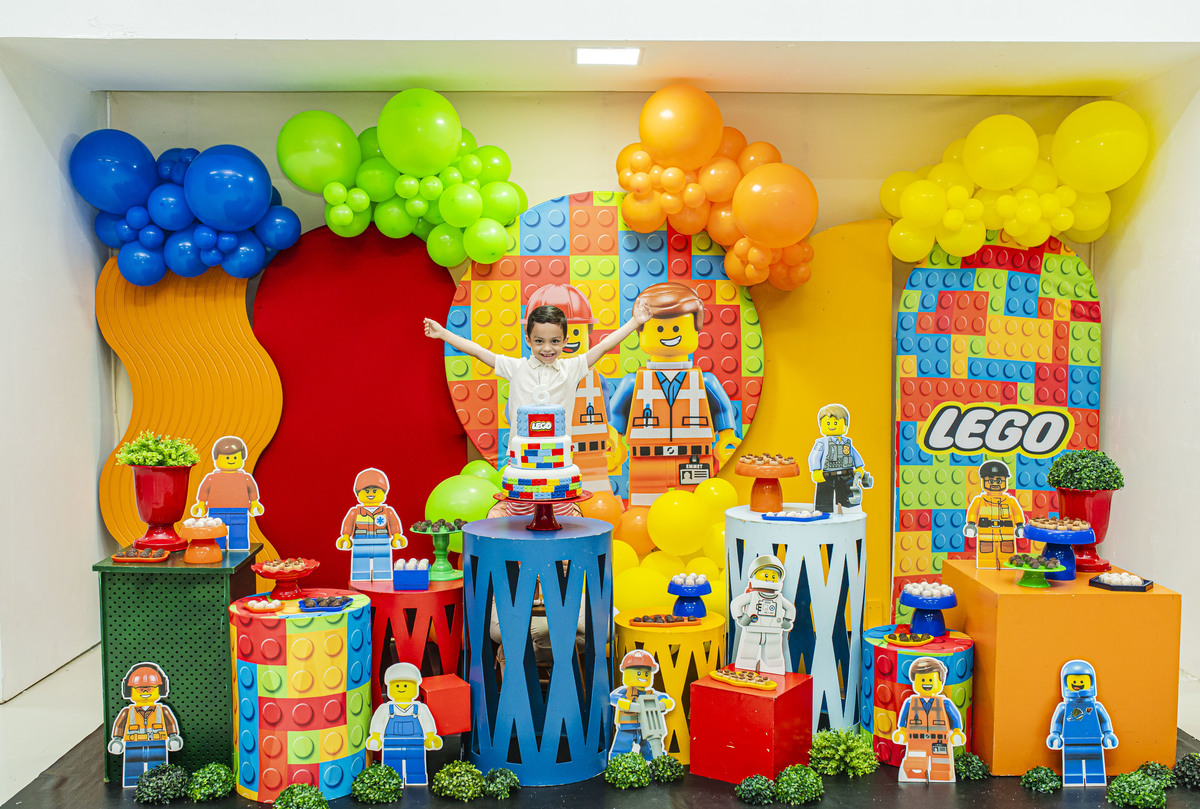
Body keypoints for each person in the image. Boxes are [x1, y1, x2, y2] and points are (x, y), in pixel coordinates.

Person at [425, 297, 650, 514]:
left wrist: (635, 321)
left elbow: (605, 346)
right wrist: (443, 334)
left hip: (559, 462)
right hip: (521, 462)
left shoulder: (572, 368)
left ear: (565, 340)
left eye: (555, 341)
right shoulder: (516, 368)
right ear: (528, 339)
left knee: (560, 514)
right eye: (539, 341)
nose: (547, 348)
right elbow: (477, 351)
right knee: (519, 514)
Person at [607, 282, 741, 506]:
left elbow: (722, 410)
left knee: (693, 506)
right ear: (641, 332)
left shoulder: (705, 381)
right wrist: (613, 441)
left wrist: (727, 439)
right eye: (659, 329)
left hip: (694, 459)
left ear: (696, 330)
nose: (668, 335)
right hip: (646, 460)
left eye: (677, 328)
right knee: (644, 506)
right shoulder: (633, 382)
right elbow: (617, 415)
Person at [107, 663, 183, 788]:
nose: (146, 692)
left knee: (158, 768)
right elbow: (119, 726)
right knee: (133, 768)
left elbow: (170, 723)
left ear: (161, 689)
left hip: (158, 743)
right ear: (129, 691)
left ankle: (158, 784)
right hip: (133, 744)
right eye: (140, 689)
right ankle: (134, 783)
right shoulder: (127, 712)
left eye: (150, 688)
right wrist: (116, 739)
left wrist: (173, 737)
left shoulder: (163, 710)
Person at [367, 663, 442, 786]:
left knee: (416, 763)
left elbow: (427, 721)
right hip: (391, 743)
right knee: (392, 764)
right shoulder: (386, 709)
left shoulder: (420, 708)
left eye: (406, 685)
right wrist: (375, 736)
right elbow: (378, 722)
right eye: (397, 685)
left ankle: (416, 778)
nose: (401, 688)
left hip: (416, 743)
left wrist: (430, 736)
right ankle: (393, 780)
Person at [1047, 659, 1118, 787]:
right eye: (1073, 682)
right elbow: (1057, 722)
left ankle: (1095, 779)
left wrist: (1108, 733)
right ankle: (1073, 780)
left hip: (1094, 741)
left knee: (1095, 766)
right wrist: (1055, 735)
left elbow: (1104, 720)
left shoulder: (1096, 706)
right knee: (1071, 769)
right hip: (1070, 742)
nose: (1078, 685)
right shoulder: (1064, 707)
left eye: (1082, 681)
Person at [892, 657, 965, 783]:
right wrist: (902, 731)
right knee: (914, 762)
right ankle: (915, 775)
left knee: (941, 763)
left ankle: (940, 776)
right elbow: (904, 718)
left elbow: (955, 717)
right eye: (922, 680)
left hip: (940, 739)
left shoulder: (945, 703)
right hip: (915, 739)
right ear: (914, 681)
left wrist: (957, 732)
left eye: (931, 680)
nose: (926, 683)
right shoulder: (910, 703)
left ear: (940, 682)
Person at [192, 435, 263, 551]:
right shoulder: (211, 478)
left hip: (240, 512)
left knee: (239, 535)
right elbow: (204, 491)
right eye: (227, 458)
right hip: (216, 512)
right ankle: (217, 549)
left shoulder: (245, 478)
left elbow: (252, 491)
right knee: (217, 535)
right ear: (216, 459)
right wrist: (200, 504)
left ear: (242, 458)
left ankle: (239, 551)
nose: (231, 460)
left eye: (235, 457)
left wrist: (255, 503)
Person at [337, 468, 407, 582]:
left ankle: (382, 585)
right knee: (359, 570)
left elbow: (394, 524)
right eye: (366, 491)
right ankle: (360, 585)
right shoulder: (355, 512)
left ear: (384, 492)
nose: (370, 494)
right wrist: (345, 537)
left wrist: (397, 536)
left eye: (375, 491)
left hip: (382, 542)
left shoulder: (387, 512)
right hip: (360, 543)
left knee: (383, 571)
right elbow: (348, 525)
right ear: (358, 493)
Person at [730, 554, 796, 674]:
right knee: (747, 654)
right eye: (766, 575)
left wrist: (787, 620)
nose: (769, 579)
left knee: (773, 656)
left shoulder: (779, 598)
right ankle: (744, 673)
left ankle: (774, 674)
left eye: (773, 576)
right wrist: (741, 617)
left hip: (773, 631)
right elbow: (736, 604)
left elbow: (790, 608)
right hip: (753, 629)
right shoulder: (752, 595)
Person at [609, 649, 674, 760]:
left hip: (648, 726)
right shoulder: (625, 692)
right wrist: (623, 702)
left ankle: (655, 761)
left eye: (646, 673)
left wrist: (665, 702)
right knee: (622, 746)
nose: (643, 676)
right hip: (628, 726)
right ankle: (618, 762)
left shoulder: (650, 693)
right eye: (638, 673)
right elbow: (613, 697)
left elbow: (662, 697)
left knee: (651, 747)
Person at [808, 404, 870, 514]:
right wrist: (816, 470)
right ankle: (823, 514)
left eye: (836, 423)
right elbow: (814, 456)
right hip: (826, 475)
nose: (832, 426)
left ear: (845, 425)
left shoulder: (847, 442)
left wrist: (860, 468)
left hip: (846, 474)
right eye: (828, 423)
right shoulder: (821, 443)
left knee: (848, 496)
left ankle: (849, 513)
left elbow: (854, 455)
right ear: (821, 425)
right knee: (824, 497)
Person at [964, 460, 1025, 569]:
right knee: (986, 558)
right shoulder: (979, 500)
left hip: (1006, 534)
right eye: (991, 481)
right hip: (985, 534)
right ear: (983, 481)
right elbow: (973, 512)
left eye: (999, 480)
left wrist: (1019, 526)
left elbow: (1017, 514)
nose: (995, 484)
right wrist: (971, 524)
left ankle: (1007, 573)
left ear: (1005, 481)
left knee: (1007, 559)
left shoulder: (1010, 501)